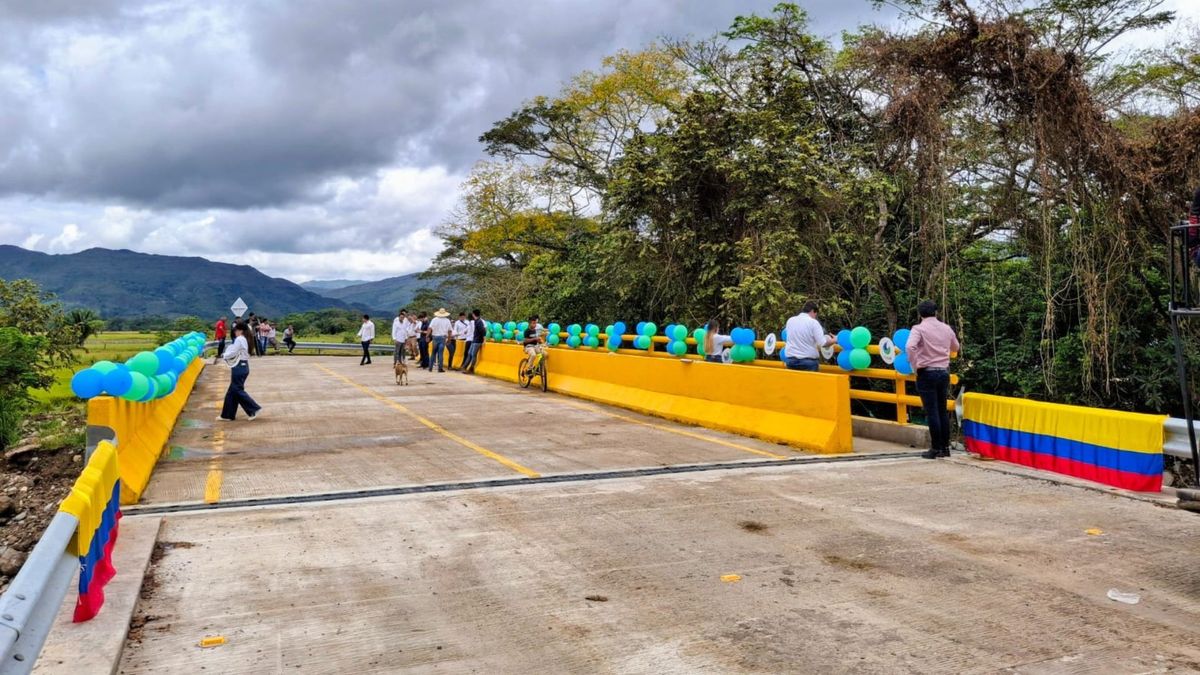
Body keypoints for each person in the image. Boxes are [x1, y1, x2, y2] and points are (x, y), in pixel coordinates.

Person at [906, 300, 961, 459]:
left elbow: (910, 347)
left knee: (932, 411)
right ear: (935, 312)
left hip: (927, 372)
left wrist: (915, 365)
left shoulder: (918, 329)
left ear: (920, 314)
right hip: (943, 372)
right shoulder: (946, 328)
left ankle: (935, 448)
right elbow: (956, 347)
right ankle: (945, 448)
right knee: (942, 410)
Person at [217, 323, 262, 422]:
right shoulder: (245, 338)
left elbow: (233, 352)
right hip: (243, 366)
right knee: (232, 392)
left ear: (240, 330)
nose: (234, 332)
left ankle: (253, 408)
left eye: (235, 330)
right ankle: (227, 415)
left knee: (237, 390)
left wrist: (224, 355)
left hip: (239, 367)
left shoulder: (240, 339)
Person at [784, 300, 836, 372]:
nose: (815, 316)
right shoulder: (813, 322)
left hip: (790, 361)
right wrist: (835, 339)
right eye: (815, 314)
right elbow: (823, 343)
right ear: (812, 311)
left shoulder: (790, 320)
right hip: (808, 362)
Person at [429, 308, 453, 373]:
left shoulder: (434, 319)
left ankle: (430, 368)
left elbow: (430, 328)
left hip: (435, 337)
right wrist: (449, 339)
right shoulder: (447, 320)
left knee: (433, 353)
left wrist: (427, 336)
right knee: (440, 353)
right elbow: (450, 331)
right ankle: (440, 368)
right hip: (443, 338)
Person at [462, 309, 486, 374]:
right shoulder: (476, 321)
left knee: (473, 355)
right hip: (474, 340)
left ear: (473, 314)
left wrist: (484, 340)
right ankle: (464, 367)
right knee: (469, 353)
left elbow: (483, 331)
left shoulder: (479, 322)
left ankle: (471, 368)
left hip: (478, 341)